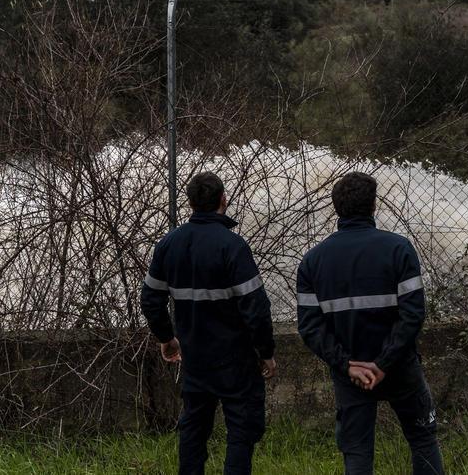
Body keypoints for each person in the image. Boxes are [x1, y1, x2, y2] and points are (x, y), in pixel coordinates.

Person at [296, 172, 444, 475]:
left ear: (336, 208)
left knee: (357, 453)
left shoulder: (313, 261)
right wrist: (384, 363)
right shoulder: (399, 249)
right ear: (374, 206)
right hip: (400, 368)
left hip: (351, 375)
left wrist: (348, 365)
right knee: (422, 439)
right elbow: (413, 314)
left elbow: (310, 328)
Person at [140, 172, 276, 475]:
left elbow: (150, 299)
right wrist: (265, 352)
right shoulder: (233, 246)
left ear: (190, 203)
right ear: (222, 200)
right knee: (241, 431)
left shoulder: (168, 245)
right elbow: (256, 307)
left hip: (195, 358)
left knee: (193, 430)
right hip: (236, 360)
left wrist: (167, 338)